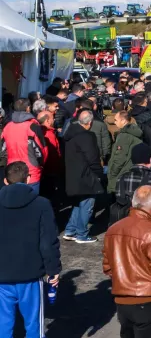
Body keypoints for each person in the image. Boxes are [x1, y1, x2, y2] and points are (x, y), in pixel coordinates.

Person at [103, 185, 151, 338]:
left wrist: (123, 281)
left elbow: (108, 267)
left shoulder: (113, 229)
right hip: (149, 300)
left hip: (122, 301)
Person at [0, 162, 61, 338]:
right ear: (28, 179)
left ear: (5, 181)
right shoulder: (41, 204)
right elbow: (48, 241)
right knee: (34, 324)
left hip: (2, 275)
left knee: (3, 324)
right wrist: (53, 269)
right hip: (30, 274)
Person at [63, 110, 105, 243]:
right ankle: (82, 234)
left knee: (77, 203)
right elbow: (93, 158)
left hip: (73, 173)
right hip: (86, 174)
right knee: (87, 204)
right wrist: (99, 173)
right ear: (90, 122)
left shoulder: (70, 134)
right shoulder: (87, 136)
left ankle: (71, 230)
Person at [0, 98, 46, 194]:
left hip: (12, 171)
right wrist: (40, 164)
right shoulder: (33, 127)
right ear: (28, 108)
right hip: (30, 172)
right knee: (31, 202)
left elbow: (3, 150)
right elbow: (42, 150)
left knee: (14, 202)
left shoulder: (7, 127)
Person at [107, 110, 144, 195]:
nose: (114, 122)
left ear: (123, 121)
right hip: (130, 170)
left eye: (116, 120)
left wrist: (112, 173)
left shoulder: (124, 135)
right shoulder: (134, 132)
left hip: (122, 172)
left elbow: (120, 157)